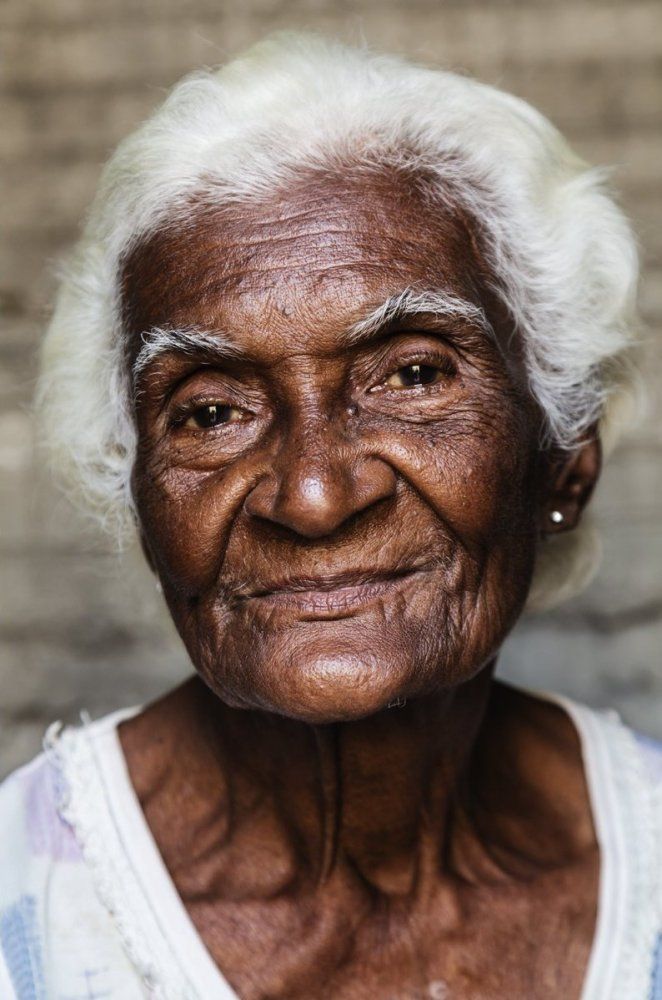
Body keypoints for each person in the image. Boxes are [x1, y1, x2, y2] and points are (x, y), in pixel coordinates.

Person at [0, 32, 658, 1000]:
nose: (311, 497)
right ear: (131, 488)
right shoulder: (28, 904)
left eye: (414, 375)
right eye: (211, 412)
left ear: (561, 456)